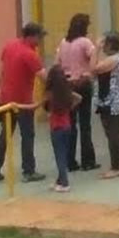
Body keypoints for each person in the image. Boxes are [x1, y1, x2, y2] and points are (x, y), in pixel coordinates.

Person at [0, 21, 47, 184]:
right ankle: (29, 170)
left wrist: (3, 91)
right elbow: (44, 76)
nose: (41, 40)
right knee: (27, 135)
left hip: (6, 99)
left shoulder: (10, 46)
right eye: (39, 37)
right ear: (32, 36)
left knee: (5, 133)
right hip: (23, 102)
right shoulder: (30, 54)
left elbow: (1, 71)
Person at [57, 13, 99, 173]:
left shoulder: (64, 43)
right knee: (85, 124)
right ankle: (88, 160)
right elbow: (93, 61)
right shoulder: (85, 42)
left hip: (68, 85)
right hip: (83, 83)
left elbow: (58, 63)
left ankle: (70, 160)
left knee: (70, 123)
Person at [93, 31, 119, 178]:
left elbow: (94, 68)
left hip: (110, 99)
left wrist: (96, 49)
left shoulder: (114, 59)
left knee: (112, 132)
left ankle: (115, 166)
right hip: (114, 97)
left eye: (104, 43)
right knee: (116, 131)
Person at [43, 63, 79, 193]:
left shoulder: (50, 94)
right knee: (63, 154)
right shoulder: (66, 92)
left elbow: (38, 105)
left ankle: (64, 183)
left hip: (56, 128)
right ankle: (60, 180)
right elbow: (79, 98)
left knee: (59, 156)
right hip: (66, 126)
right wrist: (69, 109)